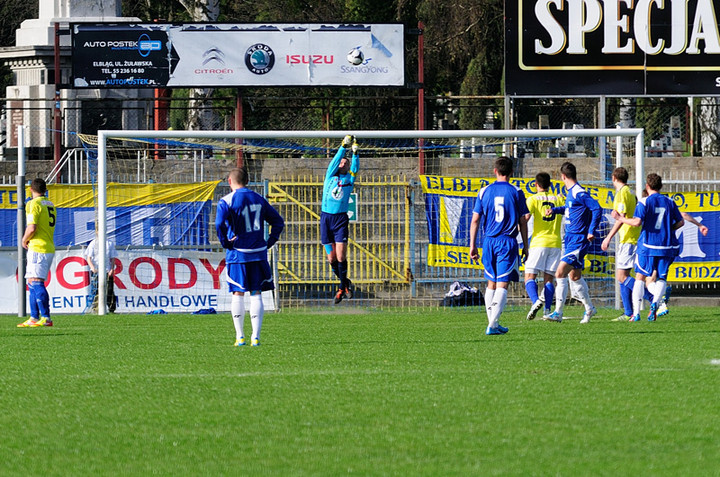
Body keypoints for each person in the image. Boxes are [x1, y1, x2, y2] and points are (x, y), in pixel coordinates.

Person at [216, 167, 284, 346]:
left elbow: (218, 224)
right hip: (258, 253)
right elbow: (278, 221)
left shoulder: (226, 201)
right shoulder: (259, 199)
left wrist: (226, 243)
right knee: (256, 293)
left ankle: (240, 337)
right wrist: (269, 241)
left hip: (238, 254)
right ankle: (256, 337)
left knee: (238, 293)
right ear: (247, 181)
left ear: (229, 182)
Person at [469, 156, 529, 335]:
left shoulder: (484, 191)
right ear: (512, 172)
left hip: (488, 241)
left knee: (491, 283)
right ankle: (493, 324)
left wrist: (472, 245)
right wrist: (526, 245)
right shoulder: (516, 191)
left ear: (495, 171)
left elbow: (475, 220)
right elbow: (523, 221)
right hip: (507, 241)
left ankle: (493, 324)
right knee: (503, 284)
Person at [612, 173, 683, 321]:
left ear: (647, 186)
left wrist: (620, 218)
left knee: (640, 277)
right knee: (661, 277)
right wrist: (669, 229)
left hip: (648, 245)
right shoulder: (670, 201)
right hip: (665, 245)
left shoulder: (644, 202)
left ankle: (636, 313)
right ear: (661, 186)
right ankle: (656, 303)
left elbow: (637, 222)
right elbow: (681, 222)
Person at [544, 162, 602, 324]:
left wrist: (591, 230)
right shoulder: (571, 193)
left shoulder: (579, 192)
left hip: (578, 240)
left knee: (559, 273)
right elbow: (570, 209)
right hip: (570, 240)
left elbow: (596, 208)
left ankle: (558, 312)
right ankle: (589, 308)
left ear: (563, 176)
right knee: (574, 276)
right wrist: (555, 210)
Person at [601, 167, 648, 322]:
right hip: (633, 237)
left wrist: (608, 238)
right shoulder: (631, 192)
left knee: (621, 277)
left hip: (628, 239)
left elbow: (620, 218)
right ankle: (628, 312)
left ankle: (654, 297)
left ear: (614, 177)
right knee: (624, 276)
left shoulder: (622, 193)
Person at [321, 134, 359, 304]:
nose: (342, 163)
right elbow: (334, 160)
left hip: (340, 220)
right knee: (331, 258)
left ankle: (341, 287)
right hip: (326, 219)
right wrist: (344, 146)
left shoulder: (349, 180)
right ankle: (345, 284)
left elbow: (355, 169)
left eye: (346, 162)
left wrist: (355, 154)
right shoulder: (330, 176)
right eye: (341, 162)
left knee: (341, 256)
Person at [524, 172, 564, 320]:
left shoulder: (532, 199)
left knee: (529, 276)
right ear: (550, 185)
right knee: (549, 279)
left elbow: (526, 218)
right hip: (555, 243)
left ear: (536, 184)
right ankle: (547, 310)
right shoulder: (559, 199)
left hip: (539, 242)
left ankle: (535, 302)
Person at [18, 178, 56, 327]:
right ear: (45, 190)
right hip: (47, 246)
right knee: (31, 282)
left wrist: (24, 239)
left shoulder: (33, 203)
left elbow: (32, 227)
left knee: (36, 282)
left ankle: (46, 318)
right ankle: (34, 317)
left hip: (38, 247)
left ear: (30, 190)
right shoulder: (50, 204)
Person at [84, 230, 118, 313]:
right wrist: (92, 268)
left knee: (109, 290)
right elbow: (89, 258)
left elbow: (112, 258)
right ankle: (96, 308)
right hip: (96, 271)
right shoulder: (93, 243)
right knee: (96, 290)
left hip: (107, 270)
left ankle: (111, 309)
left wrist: (112, 269)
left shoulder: (109, 243)